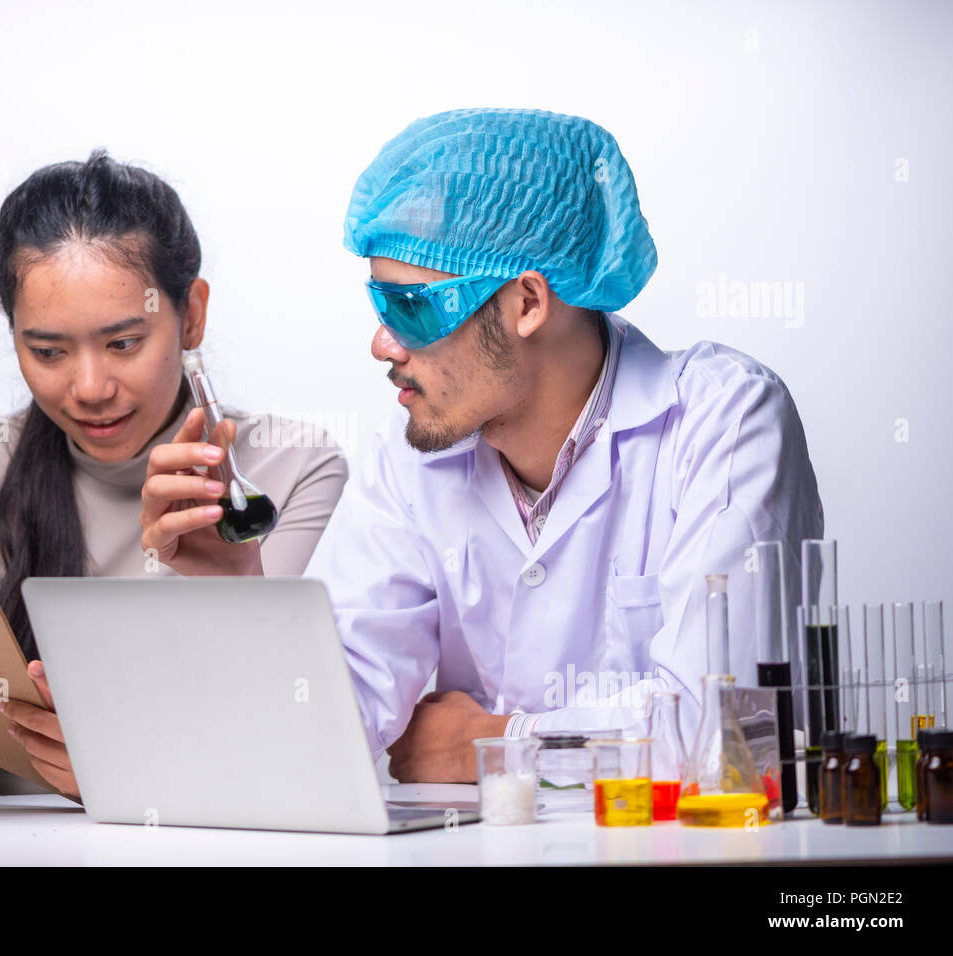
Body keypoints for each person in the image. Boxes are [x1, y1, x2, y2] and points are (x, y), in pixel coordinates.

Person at [142, 108, 824, 784]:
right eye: (377, 305)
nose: (382, 343)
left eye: (410, 306)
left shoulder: (725, 420)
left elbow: (730, 740)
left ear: (528, 301)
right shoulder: (412, 452)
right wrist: (239, 595)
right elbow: (323, 731)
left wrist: (499, 743)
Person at [0, 151, 347, 799]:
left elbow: (277, 751)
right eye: (47, 352)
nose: (90, 388)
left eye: (123, 343)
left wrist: (122, 768)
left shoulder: (289, 469)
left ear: (193, 314)